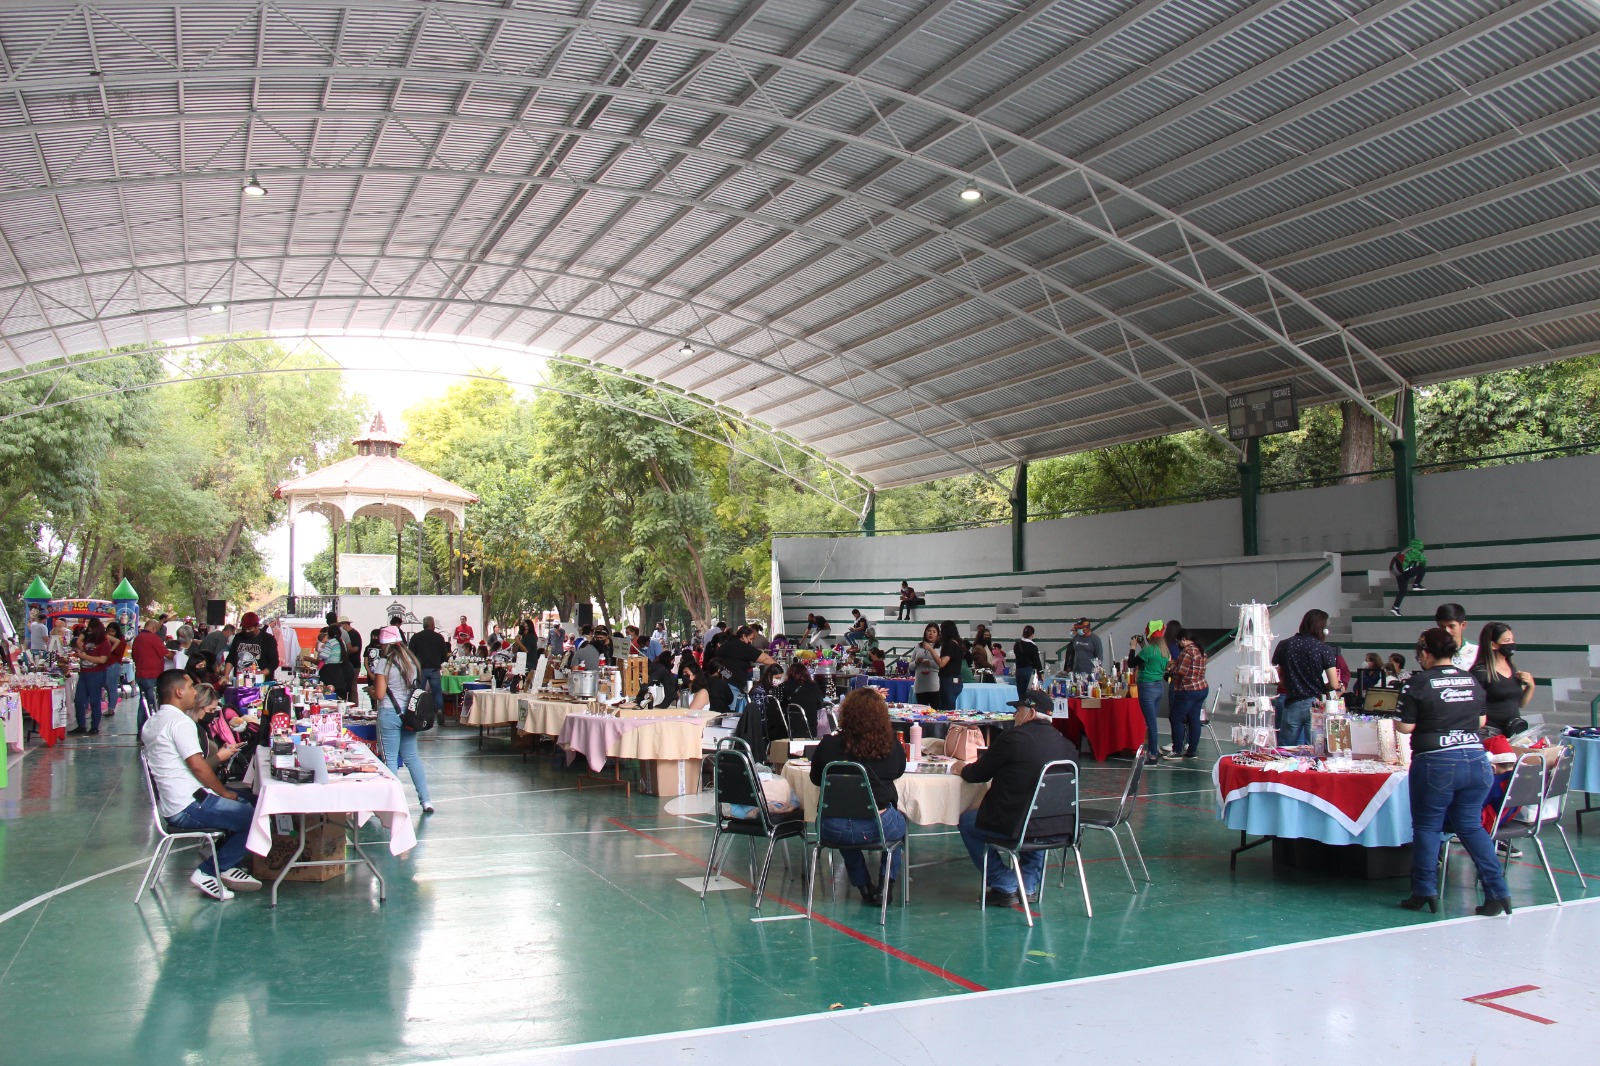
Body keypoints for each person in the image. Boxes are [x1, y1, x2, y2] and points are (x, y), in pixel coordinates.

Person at [1396, 627, 1512, 916]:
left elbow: (1405, 727)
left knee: (1427, 827)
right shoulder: (1471, 679)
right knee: (1471, 826)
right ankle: (1498, 891)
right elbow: (1481, 721)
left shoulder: (1418, 683)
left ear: (1425, 653)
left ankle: (1424, 889)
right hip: (1476, 760)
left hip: (1436, 761)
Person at [141, 669, 263, 900]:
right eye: (190, 688)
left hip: (176, 801)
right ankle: (209, 871)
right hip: (188, 805)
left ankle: (227, 864)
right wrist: (224, 792)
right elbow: (198, 766)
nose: (194, 693)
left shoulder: (153, 721)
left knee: (254, 801)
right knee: (258, 817)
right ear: (178, 692)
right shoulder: (180, 723)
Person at [954, 689, 1079, 906]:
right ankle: (1028, 885)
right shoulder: (1067, 745)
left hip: (1017, 825)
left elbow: (977, 774)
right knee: (1037, 816)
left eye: (1018, 710)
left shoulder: (1013, 738)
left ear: (1031, 712)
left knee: (967, 822)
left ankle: (1004, 882)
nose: (1014, 715)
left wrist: (960, 768)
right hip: (1060, 826)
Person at [809, 687, 906, 906]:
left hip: (832, 827)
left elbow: (816, 779)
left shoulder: (828, 745)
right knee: (900, 824)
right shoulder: (891, 745)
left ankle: (863, 884)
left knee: (842, 823)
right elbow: (898, 771)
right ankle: (886, 884)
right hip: (878, 825)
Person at [369, 627, 434, 815]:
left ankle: (392, 803)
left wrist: (371, 691)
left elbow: (380, 694)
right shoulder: (411, 662)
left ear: (384, 645)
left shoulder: (384, 663)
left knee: (390, 758)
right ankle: (426, 800)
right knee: (412, 758)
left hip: (389, 714)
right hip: (409, 715)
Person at [1271, 609, 1339, 747]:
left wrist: (1292, 684)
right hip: (1315, 704)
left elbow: (1275, 677)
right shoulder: (1323, 648)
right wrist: (1320, 686)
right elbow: (1334, 683)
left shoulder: (1285, 645)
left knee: (1286, 748)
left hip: (1292, 702)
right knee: (1316, 747)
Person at [1469, 623, 1534, 734]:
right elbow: (1473, 704)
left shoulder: (1512, 668)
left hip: (1512, 729)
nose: (1511, 644)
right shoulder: (1481, 671)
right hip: (1490, 731)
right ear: (1493, 645)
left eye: (1512, 640)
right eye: (1507, 640)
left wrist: (1531, 686)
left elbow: (1520, 703)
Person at [1166, 623, 1209, 759]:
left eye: (1179, 641)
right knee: (1194, 719)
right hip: (1202, 688)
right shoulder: (1200, 650)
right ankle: (1191, 750)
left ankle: (1177, 750)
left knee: (1176, 718)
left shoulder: (1187, 652)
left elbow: (1181, 671)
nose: (1178, 644)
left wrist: (1171, 670)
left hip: (1188, 690)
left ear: (1184, 639)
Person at [1132, 620, 1170, 764]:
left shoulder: (1148, 650)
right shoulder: (1163, 650)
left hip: (1147, 687)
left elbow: (1131, 663)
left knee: (1151, 722)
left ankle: (1152, 754)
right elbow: (1150, 660)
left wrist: (1133, 647)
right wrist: (1142, 645)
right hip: (1158, 686)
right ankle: (1153, 750)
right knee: (1152, 720)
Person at [68, 618, 114, 736]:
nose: (89, 631)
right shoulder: (88, 639)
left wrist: (85, 657)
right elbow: (79, 642)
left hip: (96, 673)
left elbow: (102, 659)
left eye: (91, 629)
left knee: (94, 700)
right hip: (84, 672)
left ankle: (94, 726)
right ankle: (81, 725)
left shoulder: (104, 642)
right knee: (79, 700)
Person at [408, 616, 451, 712]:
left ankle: (417, 711)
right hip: (434, 668)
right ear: (432, 625)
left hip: (420, 668)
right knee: (437, 692)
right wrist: (439, 662)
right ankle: (439, 710)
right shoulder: (439, 637)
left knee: (418, 692)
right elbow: (444, 653)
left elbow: (411, 653)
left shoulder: (416, 637)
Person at [132, 617, 168, 730]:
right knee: (153, 704)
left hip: (140, 674)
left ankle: (141, 729)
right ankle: (152, 729)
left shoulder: (138, 638)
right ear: (154, 628)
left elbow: (134, 656)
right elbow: (165, 653)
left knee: (143, 702)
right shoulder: (154, 638)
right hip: (152, 675)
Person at [716, 624, 775, 691]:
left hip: (724, 681)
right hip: (736, 685)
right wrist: (777, 667)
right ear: (744, 636)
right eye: (750, 639)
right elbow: (765, 658)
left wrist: (728, 677)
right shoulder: (743, 647)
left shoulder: (724, 646)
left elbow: (719, 666)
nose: (751, 642)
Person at [225, 612, 279, 682]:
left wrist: (261, 674)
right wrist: (226, 675)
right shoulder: (238, 637)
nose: (247, 631)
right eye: (244, 629)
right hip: (240, 681)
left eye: (249, 629)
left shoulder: (268, 639)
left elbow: (274, 662)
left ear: (257, 626)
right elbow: (230, 658)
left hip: (261, 683)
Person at [777, 659, 824, 737]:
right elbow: (820, 704)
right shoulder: (814, 686)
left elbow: (779, 707)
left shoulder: (784, 686)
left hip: (791, 729)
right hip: (811, 729)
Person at [1388, 539, 1428, 615]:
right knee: (1422, 568)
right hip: (1405, 572)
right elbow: (1424, 561)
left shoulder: (1405, 550)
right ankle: (1416, 584)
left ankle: (1395, 607)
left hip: (1398, 573)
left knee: (1402, 591)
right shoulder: (1415, 551)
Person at [1434, 603, 1477, 670]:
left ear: (1463, 625)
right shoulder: (1431, 650)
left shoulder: (1477, 650)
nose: (1447, 631)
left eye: (1451, 626)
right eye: (1442, 626)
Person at [102, 621, 131, 718]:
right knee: (108, 687)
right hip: (106, 665)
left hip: (114, 665)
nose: (110, 633)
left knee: (112, 688)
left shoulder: (120, 641)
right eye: (109, 631)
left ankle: (111, 709)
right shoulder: (106, 640)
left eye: (113, 631)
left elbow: (118, 652)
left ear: (117, 632)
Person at [935, 620, 966, 712]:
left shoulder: (950, 644)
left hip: (949, 680)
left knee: (946, 709)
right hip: (956, 679)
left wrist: (931, 650)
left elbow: (942, 663)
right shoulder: (958, 643)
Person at [911, 623, 942, 706]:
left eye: (934, 631)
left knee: (935, 711)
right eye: (929, 631)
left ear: (938, 634)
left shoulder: (940, 647)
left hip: (934, 685)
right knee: (921, 710)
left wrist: (930, 663)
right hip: (920, 686)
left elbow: (942, 665)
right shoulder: (918, 646)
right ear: (925, 632)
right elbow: (910, 666)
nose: (931, 633)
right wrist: (916, 662)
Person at [1010, 625, 1043, 697]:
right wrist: (1041, 672)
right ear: (1032, 634)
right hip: (1028, 670)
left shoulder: (1017, 644)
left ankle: (1020, 703)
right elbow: (1037, 660)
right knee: (1027, 692)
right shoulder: (1032, 646)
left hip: (1018, 670)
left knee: (1019, 691)